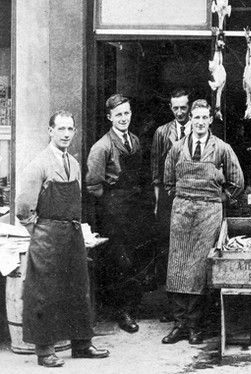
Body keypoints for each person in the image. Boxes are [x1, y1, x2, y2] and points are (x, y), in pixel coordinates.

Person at [16, 111, 109, 367]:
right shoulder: (39, 164)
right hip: (46, 236)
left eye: (70, 129)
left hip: (72, 234)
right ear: (50, 131)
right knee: (44, 293)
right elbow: (23, 208)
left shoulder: (75, 164)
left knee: (78, 288)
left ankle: (82, 343)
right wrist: (38, 231)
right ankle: (45, 350)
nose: (66, 134)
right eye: (61, 129)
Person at [162, 99, 244, 344]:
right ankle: (179, 324)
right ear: (190, 120)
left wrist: (221, 198)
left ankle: (195, 325)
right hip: (182, 212)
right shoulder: (176, 148)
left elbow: (237, 182)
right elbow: (168, 182)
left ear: (210, 120)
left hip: (209, 214)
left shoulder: (222, 149)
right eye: (195, 117)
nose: (199, 122)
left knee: (199, 269)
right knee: (177, 266)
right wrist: (184, 199)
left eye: (203, 118)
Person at [86, 94, 146, 333]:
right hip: (114, 211)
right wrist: (113, 203)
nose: (123, 118)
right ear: (109, 117)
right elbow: (93, 185)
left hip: (134, 208)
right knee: (119, 260)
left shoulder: (135, 141)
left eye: (127, 113)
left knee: (135, 257)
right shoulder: (102, 147)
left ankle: (133, 305)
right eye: (118, 114)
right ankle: (122, 311)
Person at [151, 88, 191, 322]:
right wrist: (158, 201)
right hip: (168, 195)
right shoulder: (161, 132)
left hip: (190, 193)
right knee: (169, 249)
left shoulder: (199, 128)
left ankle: (190, 307)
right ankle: (171, 306)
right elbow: (156, 168)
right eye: (175, 108)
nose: (179, 112)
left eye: (183, 108)